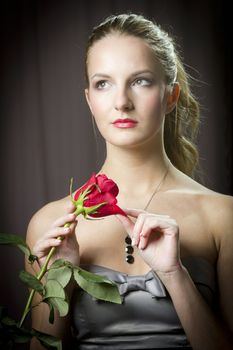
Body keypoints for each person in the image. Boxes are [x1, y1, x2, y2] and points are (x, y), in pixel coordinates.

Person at [26, 13, 233, 350]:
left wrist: (174, 275)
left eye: (140, 81)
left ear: (171, 96)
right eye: (103, 83)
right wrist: (58, 284)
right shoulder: (50, 224)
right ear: (89, 100)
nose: (121, 102)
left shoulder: (223, 217)